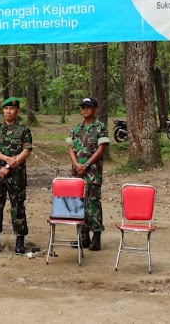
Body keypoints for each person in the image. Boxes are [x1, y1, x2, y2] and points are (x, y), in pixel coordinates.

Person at [0, 97, 33, 255]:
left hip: (16, 175)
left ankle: (20, 240)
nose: (9, 111)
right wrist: (6, 160)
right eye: (6, 109)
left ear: (17, 111)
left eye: (12, 109)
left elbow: (26, 150)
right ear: (3, 110)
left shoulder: (24, 130)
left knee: (18, 207)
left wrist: (10, 165)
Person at [66, 97, 110, 251]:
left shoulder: (100, 127)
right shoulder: (76, 128)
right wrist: (76, 164)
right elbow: (70, 148)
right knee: (77, 203)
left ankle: (96, 236)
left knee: (93, 202)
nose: (85, 109)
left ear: (95, 109)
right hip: (77, 171)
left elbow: (101, 149)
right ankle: (83, 236)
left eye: (88, 107)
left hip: (92, 172)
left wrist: (86, 164)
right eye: (83, 107)